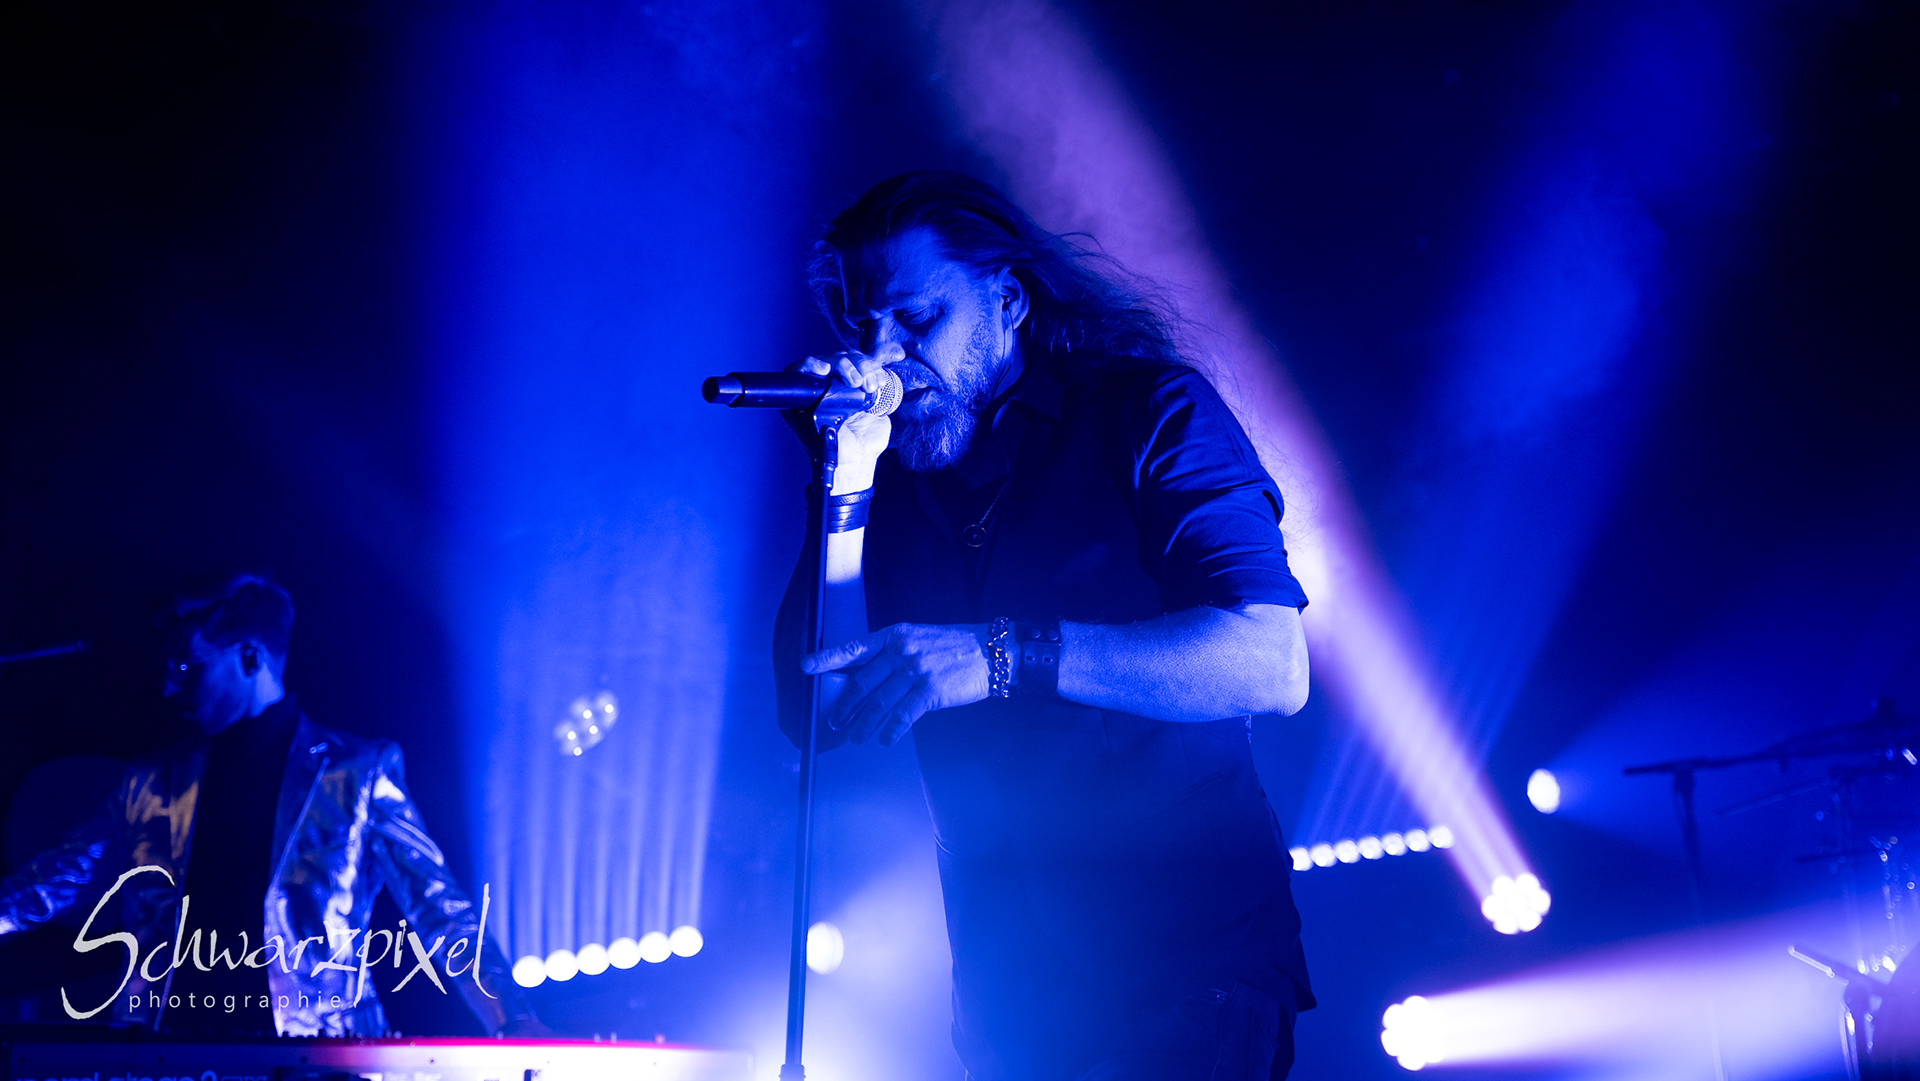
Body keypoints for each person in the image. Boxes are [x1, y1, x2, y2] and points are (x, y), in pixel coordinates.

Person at [773, 172, 1314, 1081]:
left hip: (1187, 968)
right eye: (862, 327)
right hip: (1007, 994)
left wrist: (1001, 655)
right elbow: (818, 716)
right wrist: (842, 485)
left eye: (916, 318)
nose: (885, 355)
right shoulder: (885, 475)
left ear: (1008, 302)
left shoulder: (1151, 413)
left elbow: (1272, 661)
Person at [0, 573, 541, 1037]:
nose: (167, 687)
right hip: (168, 1050)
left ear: (250, 657)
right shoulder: (150, 780)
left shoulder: (356, 771)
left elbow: (440, 909)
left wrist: (511, 1018)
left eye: (186, 668)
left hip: (318, 1056)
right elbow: (50, 882)